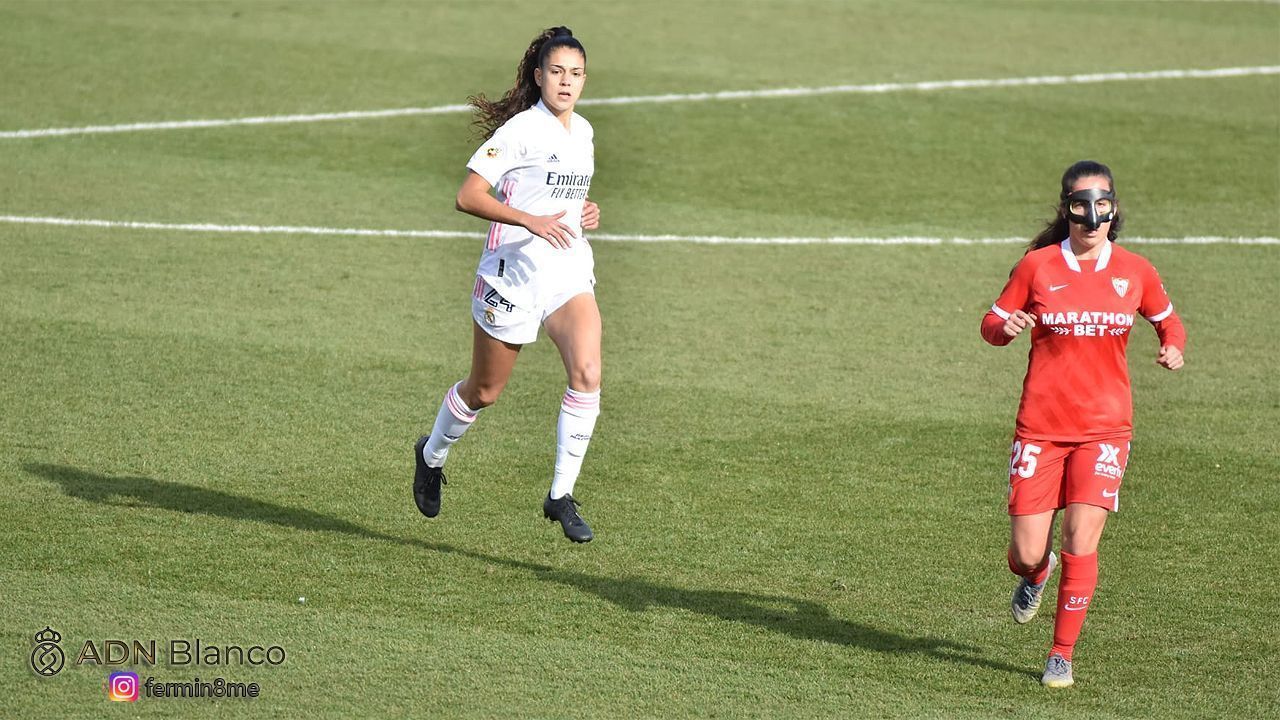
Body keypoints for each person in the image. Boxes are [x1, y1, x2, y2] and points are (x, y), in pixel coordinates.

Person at [980, 160, 1186, 687]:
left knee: (1081, 539)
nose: (1092, 218)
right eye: (1080, 206)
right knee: (1026, 552)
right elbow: (991, 323)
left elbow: (1168, 320)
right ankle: (1037, 573)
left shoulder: (1136, 271)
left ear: (1113, 209)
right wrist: (1008, 326)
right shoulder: (1038, 266)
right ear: (1067, 209)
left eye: (1102, 205)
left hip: (1105, 430)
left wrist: (1173, 347)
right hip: (1041, 428)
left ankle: (1061, 654)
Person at [413, 26, 602, 543]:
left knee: (587, 372)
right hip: (512, 275)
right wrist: (527, 220)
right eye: (557, 72)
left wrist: (584, 211)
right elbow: (468, 196)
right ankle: (432, 454)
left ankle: (560, 495)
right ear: (539, 76)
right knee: (485, 391)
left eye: (576, 73)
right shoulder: (521, 130)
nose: (566, 82)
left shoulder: (584, 133)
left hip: (566, 270)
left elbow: (563, 195)